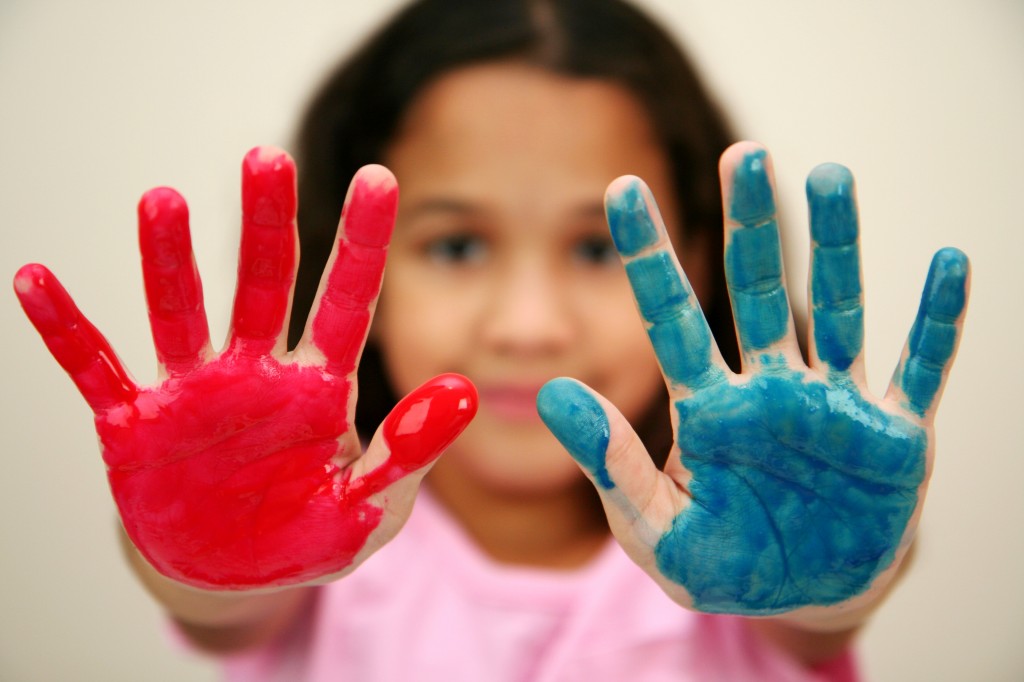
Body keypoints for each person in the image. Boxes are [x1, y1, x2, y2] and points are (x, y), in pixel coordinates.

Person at [13, 0, 971, 680]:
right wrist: (198, 547)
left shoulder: (744, 547)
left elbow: (817, 618)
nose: (528, 325)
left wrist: (838, 574)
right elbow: (223, 607)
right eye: (458, 244)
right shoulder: (315, 544)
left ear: (700, 265)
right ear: (359, 276)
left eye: (598, 246)